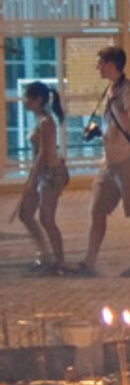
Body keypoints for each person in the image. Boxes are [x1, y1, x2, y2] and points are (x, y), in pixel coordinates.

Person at [76, 45, 130, 277]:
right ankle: (89, 261)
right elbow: (112, 126)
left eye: (100, 62)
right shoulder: (110, 90)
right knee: (97, 210)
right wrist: (97, 130)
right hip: (108, 162)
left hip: (128, 160)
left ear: (111, 64)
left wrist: (115, 104)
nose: (97, 67)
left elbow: (128, 122)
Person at [14, 82, 70, 273]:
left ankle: (59, 260)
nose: (24, 102)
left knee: (46, 218)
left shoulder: (46, 122)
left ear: (38, 100)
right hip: (42, 173)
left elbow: (44, 155)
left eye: (27, 98)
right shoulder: (39, 120)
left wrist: (32, 180)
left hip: (51, 173)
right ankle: (44, 254)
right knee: (25, 213)